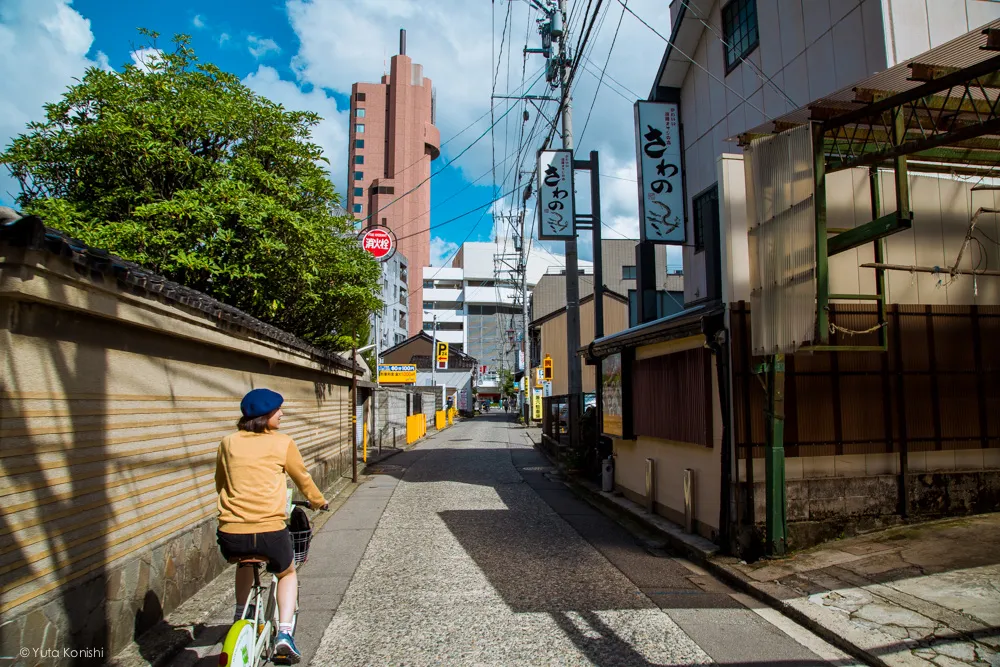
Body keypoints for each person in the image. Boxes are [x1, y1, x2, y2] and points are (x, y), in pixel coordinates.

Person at [215, 388, 327, 664]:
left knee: (244, 563)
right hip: (270, 531)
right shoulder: (282, 442)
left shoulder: (227, 442)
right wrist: (317, 501)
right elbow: (301, 477)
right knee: (287, 572)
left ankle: (239, 613)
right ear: (266, 416)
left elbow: (221, 482)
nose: (282, 414)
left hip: (231, 533)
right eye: (279, 411)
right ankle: (285, 635)